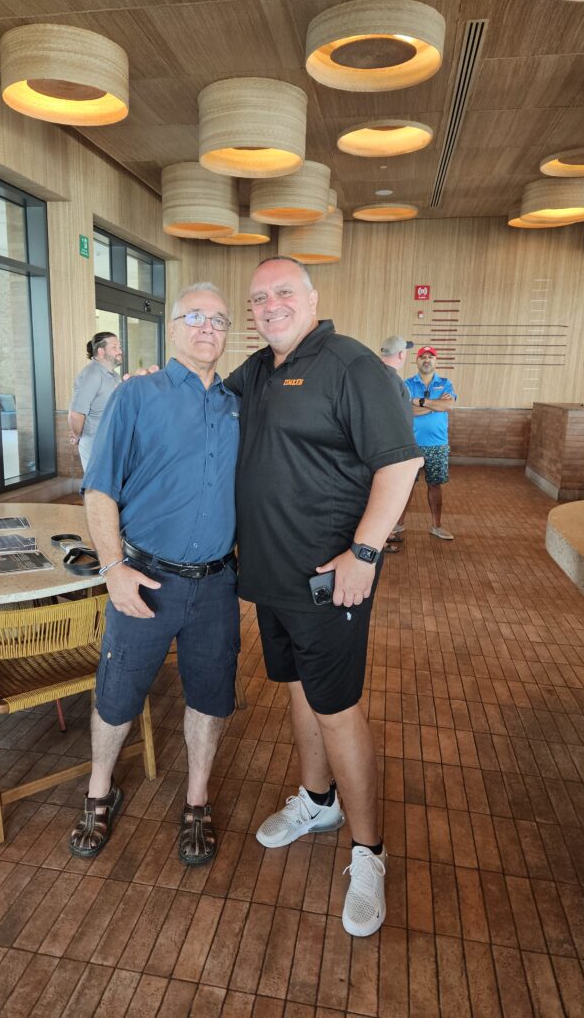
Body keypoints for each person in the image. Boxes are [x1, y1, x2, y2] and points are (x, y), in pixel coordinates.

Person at [225, 257, 422, 937]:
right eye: (259, 298)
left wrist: (364, 552)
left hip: (329, 578)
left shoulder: (351, 365)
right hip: (269, 575)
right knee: (297, 690)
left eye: (284, 292)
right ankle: (318, 800)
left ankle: (370, 852)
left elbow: (402, 462)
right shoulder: (258, 370)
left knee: (337, 709)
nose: (270, 305)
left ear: (312, 299)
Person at [69, 284, 240, 867]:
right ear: (172, 327)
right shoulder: (136, 394)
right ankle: (99, 792)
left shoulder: (238, 404)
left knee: (210, 699)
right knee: (117, 695)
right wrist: (113, 569)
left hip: (216, 584)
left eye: (219, 320)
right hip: (143, 577)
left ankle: (197, 801)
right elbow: (99, 489)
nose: (207, 328)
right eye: (195, 317)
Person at [402, 346, 457, 540]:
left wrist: (420, 402)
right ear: (417, 361)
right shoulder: (407, 383)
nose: (426, 360)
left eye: (430, 357)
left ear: (436, 361)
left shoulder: (445, 383)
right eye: (423, 357)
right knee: (405, 486)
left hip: (438, 445)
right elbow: (406, 410)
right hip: (411, 444)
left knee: (435, 485)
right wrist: (435, 405)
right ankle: (398, 524)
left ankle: (436, 526)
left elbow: (448, 405)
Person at [68, 332, 123, 470]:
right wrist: (77, 436)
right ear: (101, 351)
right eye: (114, 347)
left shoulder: (115, 376)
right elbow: (76, 413)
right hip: (95, 443)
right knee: (96, 483)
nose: (120, 351)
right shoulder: (92, 374)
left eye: (119, 347)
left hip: (112, 440)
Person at [379, 336, 415, 549]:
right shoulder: (389, 379)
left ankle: (384, 534)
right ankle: (379, 540)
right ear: (401, 354)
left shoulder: (379, 375)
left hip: (385, 448)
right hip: (390, 450)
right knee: (385, 496)